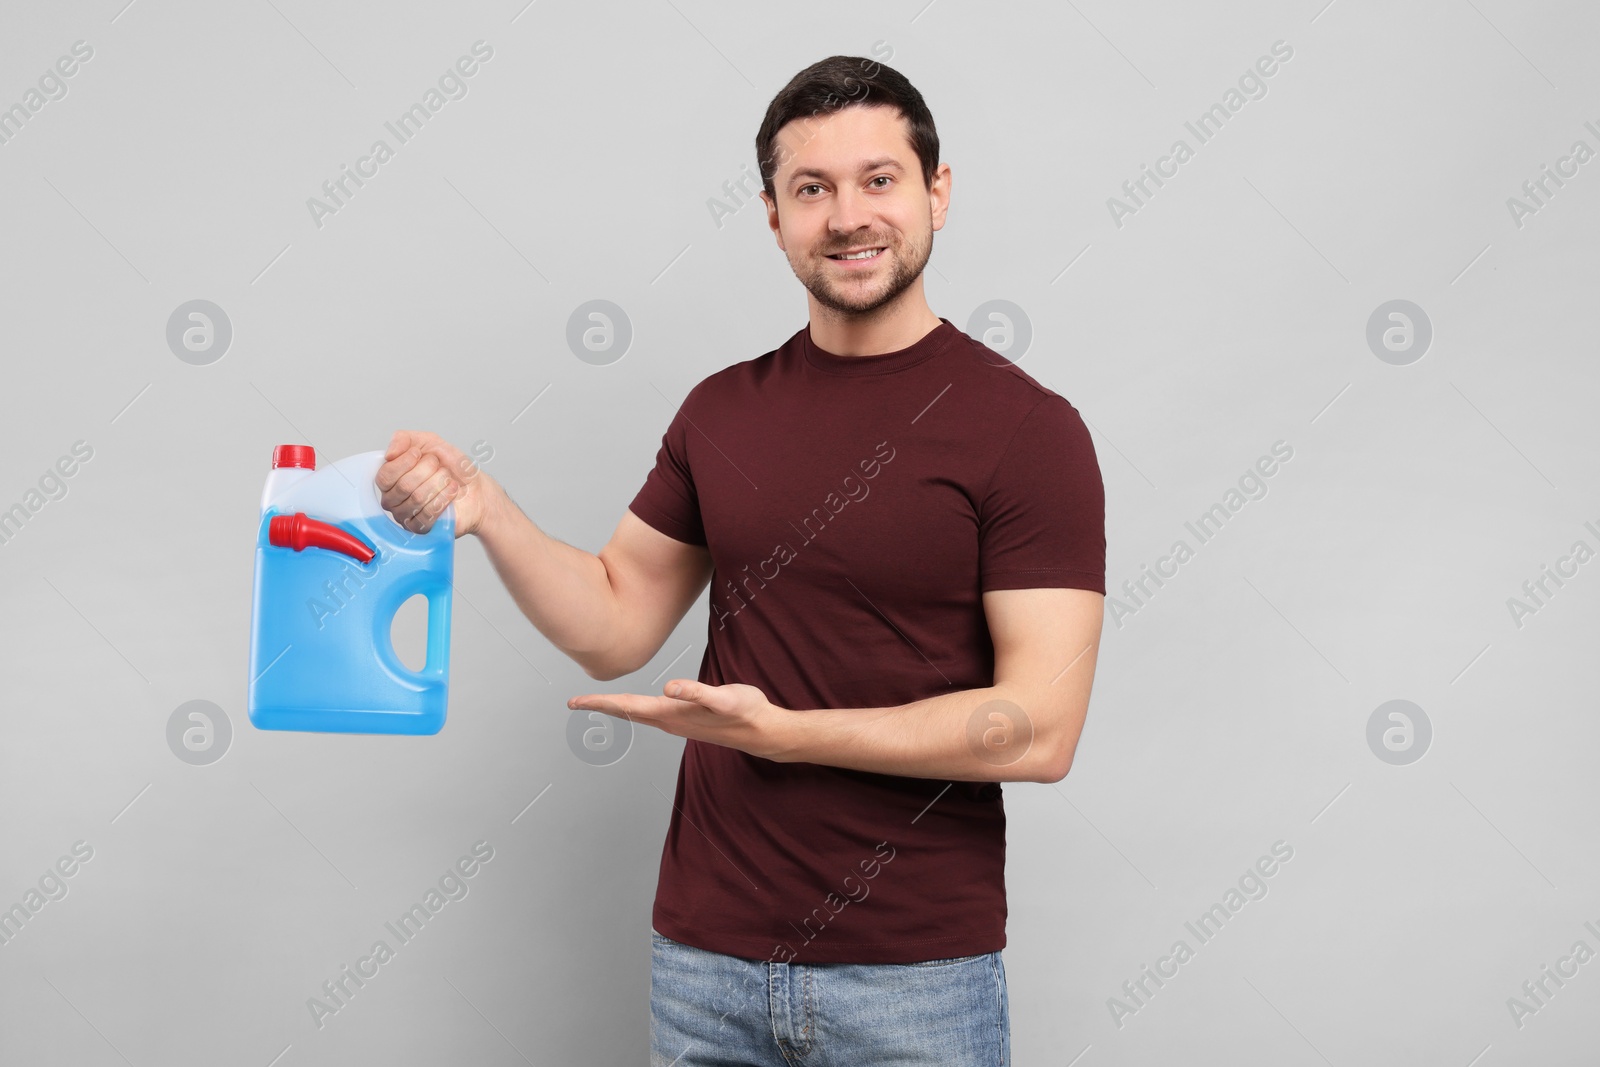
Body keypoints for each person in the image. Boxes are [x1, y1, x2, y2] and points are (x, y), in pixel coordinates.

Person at [378, 53, 1106, 1067]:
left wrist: (788, 734)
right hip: (704, 963)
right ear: (773, 215)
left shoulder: (1027, 430)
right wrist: (487, 511)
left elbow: (1038, 728)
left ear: (937, 191)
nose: (847, 216)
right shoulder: (721, 411)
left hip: (913, 979)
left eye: (878, 180)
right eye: (812, 189)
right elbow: (615, 621)